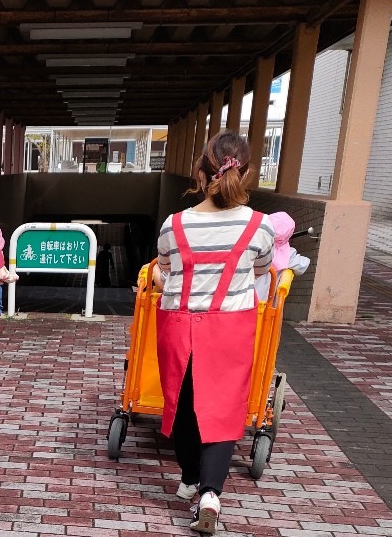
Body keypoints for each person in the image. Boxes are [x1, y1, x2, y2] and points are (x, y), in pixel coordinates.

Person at [153, 131, 274, 534]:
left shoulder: (174, 225)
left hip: (180, 323)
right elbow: (260, 272)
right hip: (231, 326)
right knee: (223, 410)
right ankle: (209, 493)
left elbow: (163, 271)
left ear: (201, 173)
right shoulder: (260, 227)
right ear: (248, 173)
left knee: (184, 405)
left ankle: (189, 477)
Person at [255, 212, 310, 303]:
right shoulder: (288, 254)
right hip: (266, 306)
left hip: (244, 301)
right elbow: (302, 265)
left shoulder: (253, 247)